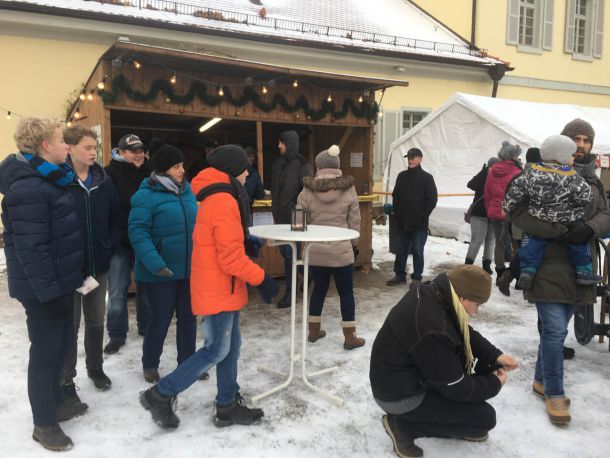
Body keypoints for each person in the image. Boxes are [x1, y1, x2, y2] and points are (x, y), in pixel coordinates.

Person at [139, 145, 279, 429]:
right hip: (219, 287)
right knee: (215, 350)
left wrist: (245, 243)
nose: (248, 173)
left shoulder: (216, 195)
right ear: (232, 170)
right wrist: (262, 279)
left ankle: (227, 405)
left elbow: (220, 243)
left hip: (222, 286)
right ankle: (160, 395)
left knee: (231, 348)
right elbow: (229, 259)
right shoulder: (223, 200)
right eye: (244, 168)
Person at [508, 119, 610, 425]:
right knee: (554, 331)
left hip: (581, 265)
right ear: (564, 142)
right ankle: (554, 392)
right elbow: (516, 213)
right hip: (547, 263)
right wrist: (558, 230)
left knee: (556, 329)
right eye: (575, 138)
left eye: (586, 140)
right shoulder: (536, 173)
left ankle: (541, 380)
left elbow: (606, 214)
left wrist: (588, 229)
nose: (581, 144)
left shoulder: (592, 180)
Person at [370, 265, 519, 457]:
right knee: (484, 419)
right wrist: (494, 383)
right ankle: (403, 426)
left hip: (405, 376)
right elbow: (456, 387)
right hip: (398, 395)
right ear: (463, 298)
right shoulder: (432, 326)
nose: (477, 311)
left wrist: (494, 355)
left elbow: (462, 331)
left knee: (476, 405)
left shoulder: (435, 293)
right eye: (478, 304)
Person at [0, 118, 85, 451]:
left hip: (59, 284)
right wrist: (49, 294)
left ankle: (57, 403)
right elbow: (31, 248)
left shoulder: (51, 180)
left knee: (61, 347)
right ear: (46, 146)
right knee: (45, 354)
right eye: (62, 140)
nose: (67, 146)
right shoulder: (27, 189)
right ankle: (44, 424)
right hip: (42, 290)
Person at [128, 139, 197, 383]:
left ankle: (188, 363)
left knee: (188, 319)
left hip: (188, 270)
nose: (182, 170)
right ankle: (150, 364)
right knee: (160, 319)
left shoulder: (187, 192)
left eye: (182, 165)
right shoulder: (145, 196)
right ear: (163, 169)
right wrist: (155, 263)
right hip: (160, 272)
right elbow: (138, 232)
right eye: (176, 166)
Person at [61, 126, 121, 400]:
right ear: (70, 148)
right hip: (68, 267)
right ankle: (66, 378)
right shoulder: (59, 180)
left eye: (94, 147)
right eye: (87, 147)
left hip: (98, 266)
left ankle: (95, 368)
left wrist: (108, 246)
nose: (93, 152)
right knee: (69, 325)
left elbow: (116, 217)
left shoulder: (103, 181)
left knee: (96, 321)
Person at [503, 135, 601, 290]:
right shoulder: (571, 176)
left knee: (532, 246)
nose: (572, 158)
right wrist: (578, 203)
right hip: (566, 221)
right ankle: (583, 272)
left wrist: (506, 207)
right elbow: (585, 195)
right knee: (579, 245)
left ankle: (527, 271)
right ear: (562, 156)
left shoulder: (531, 173)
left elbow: (515, 191)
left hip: (538, 218)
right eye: (570, 155)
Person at [296, 145, 364, 349]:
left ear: (318, 167)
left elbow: (299, 223)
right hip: (341, 250)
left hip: (316, 250)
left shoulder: (307, 190)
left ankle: (313, 331)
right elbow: (355, 220)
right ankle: (350, 337)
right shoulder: (348, 188)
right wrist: (353, 245)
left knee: (318, 290)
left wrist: (305, 244)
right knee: (346, 293)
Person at [104, 134, 151, 354]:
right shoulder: (108, 173)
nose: (139, 154)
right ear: (121, 152)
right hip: (119, 243)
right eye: (133, 151)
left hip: (144, 241)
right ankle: (116, 333)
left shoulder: (151, 173)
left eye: (141, 150)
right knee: (117, 290)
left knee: (146, 287)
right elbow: (106, 209)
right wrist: (111, 238)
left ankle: (146, 326)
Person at [270, 130, 313, 308]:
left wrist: (299, 208)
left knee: (290, 254)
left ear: (289, 144)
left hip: (297, 215)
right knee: (285, 252)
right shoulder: (278, 163)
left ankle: (290, 292)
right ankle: (309, 273)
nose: (279, 146)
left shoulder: (303, 164)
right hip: (280, 215)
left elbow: (309, 192)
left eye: (281, 143)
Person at [386, 148, 437, 290]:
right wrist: (397, 213)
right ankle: (399, 275)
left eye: (413, 158)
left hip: (419, 224)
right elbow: (396, 196)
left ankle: (417, 277)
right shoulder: (402, 176)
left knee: (417, 250)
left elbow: (432, 200)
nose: (410, 160)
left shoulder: (427, 178)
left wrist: (422, 216)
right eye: (408, 158)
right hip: (403, 222)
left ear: (420, 159)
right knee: (401, 249)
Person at [497, 147, 541, 296]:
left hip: (517, 223)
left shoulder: (518, 176)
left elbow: (508, 199)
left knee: (521, 251)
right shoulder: (541, 177)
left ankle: (511, 277)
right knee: (530, 252)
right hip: (534, 223)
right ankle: (516, 279)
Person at [483, 141, 522, 280]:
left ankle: (500, 270)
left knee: (499, 244)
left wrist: (489, 209)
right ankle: (515, 272)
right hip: (512, 214)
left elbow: (487, 192)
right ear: (513, 156)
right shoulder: (518, 172)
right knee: (516, 245)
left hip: (495, 212)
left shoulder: (493, 170)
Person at [465, 157, 500, 273]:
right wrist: (484, 171)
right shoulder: (483, 176)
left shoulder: (500, 178)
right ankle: (468, 264)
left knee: (490, 241)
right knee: (477, 240)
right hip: (479, 214)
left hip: (493, 214)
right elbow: (471, 184)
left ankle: (486, 264)